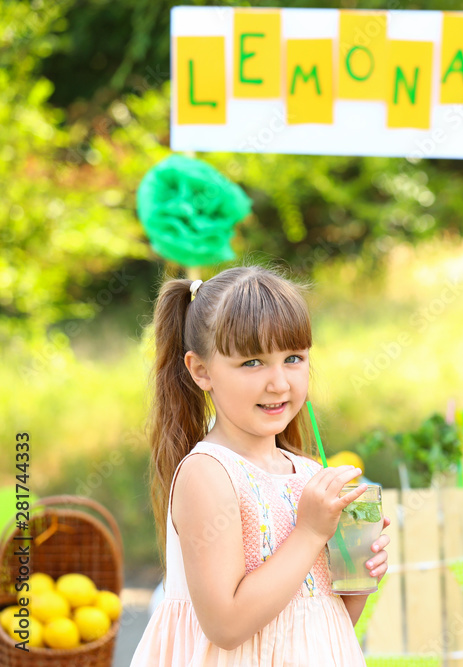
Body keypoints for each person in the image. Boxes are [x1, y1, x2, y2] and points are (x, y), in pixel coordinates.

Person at [131, 266, 389, 666]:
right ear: (201, 371)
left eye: (293, 358)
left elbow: (322, 624)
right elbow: (226, 625)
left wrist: (355, 580)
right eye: (253, 362)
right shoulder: (208, 473)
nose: (279, 383)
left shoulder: (307, 473)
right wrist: (309, 532)